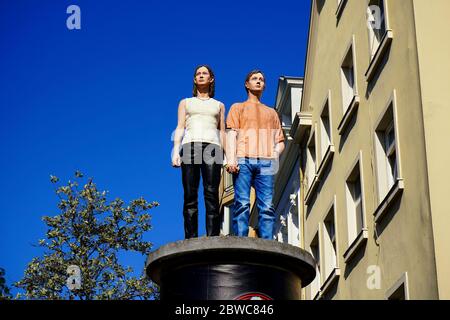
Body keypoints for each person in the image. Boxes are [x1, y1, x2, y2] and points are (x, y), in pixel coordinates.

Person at [225, 70, 285, 240]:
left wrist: (273, 154)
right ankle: (241, 241)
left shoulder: (271, 113)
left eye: (262, 79)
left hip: (266, 162)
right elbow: (231, 134)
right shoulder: (238, 107)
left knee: (266, 206)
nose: (259, 81)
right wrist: (231, 159)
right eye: (255, 79)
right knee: (242, 203)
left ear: (264, 85)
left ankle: (267, 243)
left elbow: (280, 141)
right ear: (247, 84)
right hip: (243, 159)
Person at [172, 65, 226, 239]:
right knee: (190, 194)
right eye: (198, 74)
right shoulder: (186, 102)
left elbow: (222, 132)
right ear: (195, 80)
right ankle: (191, 239)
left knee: (211, 193)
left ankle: (213, 238)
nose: (201, 76)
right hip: (189, 147)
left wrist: (226, 156)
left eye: (205, 73)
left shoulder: (219, 105)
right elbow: (180, 127)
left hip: (213, 148)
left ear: (211, 79)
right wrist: (175, 151)